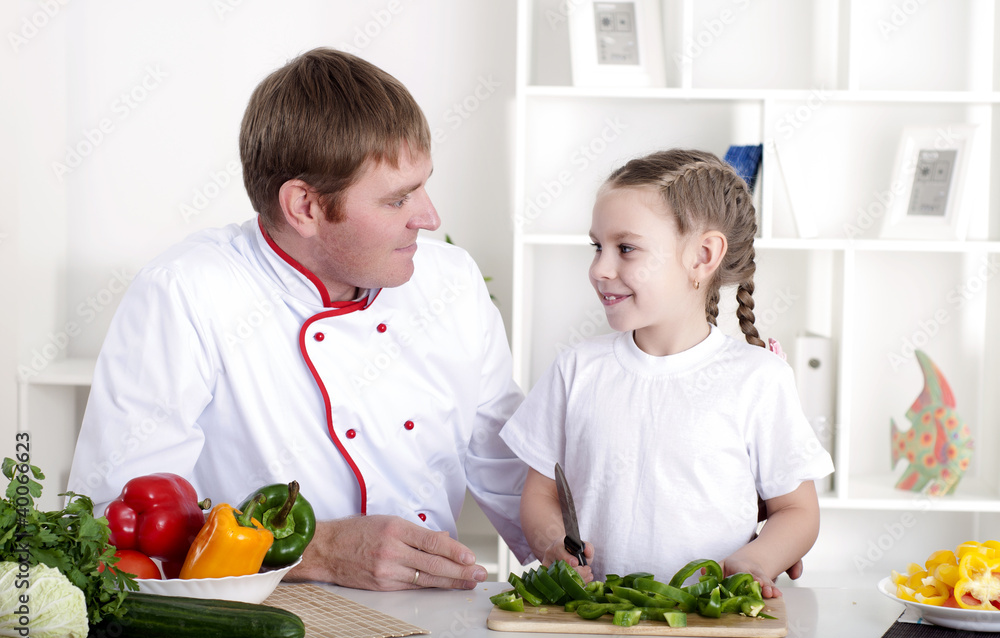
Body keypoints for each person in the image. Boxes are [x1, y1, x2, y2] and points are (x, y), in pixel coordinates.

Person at [66, 48, 531, 590]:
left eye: (423, 185)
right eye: (397, 200)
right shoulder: (187, 291)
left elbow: (507, 466)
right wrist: (320, 551)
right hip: (271, 614)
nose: (430, 218)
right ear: (305, 207)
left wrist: (565, 547)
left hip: (434, 621)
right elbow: (120, 522)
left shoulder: (451, 280)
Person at [500, 149, 834, 598]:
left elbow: (797, 510)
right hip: (595, 619)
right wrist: (550, 545)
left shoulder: (758, 378)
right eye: (597, 247)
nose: (599, 269)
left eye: (626, 248)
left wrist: (756, 561)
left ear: (702, 255)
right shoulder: (576, 369)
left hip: (708, 620)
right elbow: (539, 495)